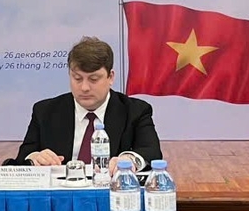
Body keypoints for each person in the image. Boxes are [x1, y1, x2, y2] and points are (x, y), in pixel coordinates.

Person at [15, 36, 161, 172]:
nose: (84, 87)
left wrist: (129, 159)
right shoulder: (45, 111)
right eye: (77, 78)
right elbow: (24, 156)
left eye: (93, 79)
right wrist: (35, 158)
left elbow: (151, 151)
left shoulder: (135, 111)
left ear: (110, 77)